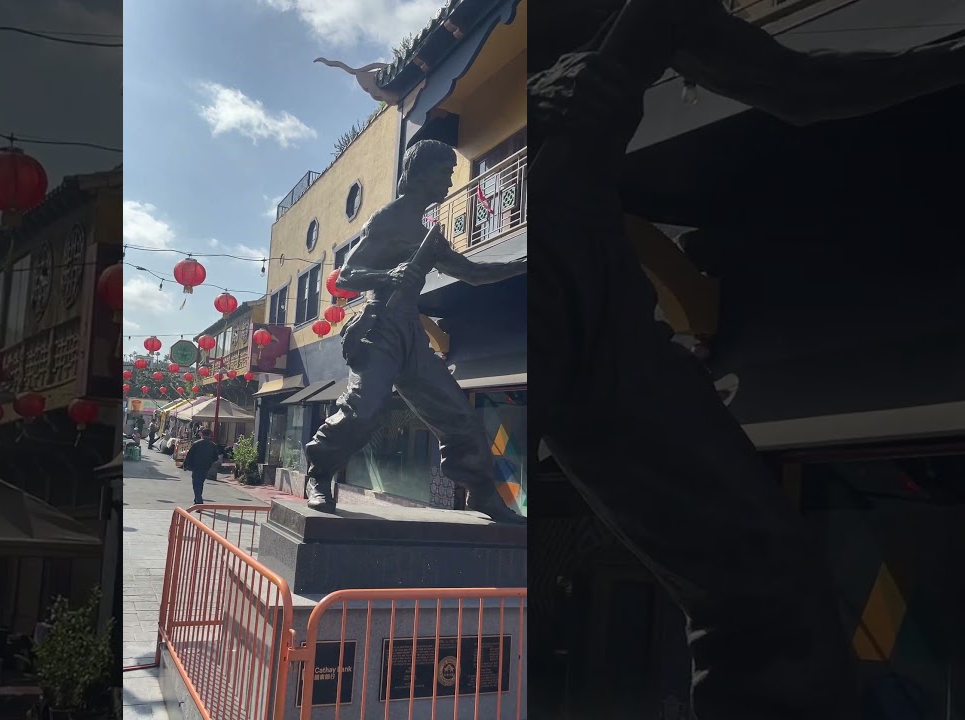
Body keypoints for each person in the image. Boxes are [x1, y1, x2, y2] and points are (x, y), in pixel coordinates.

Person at [529, 1, 965, 717]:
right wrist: (532, 103)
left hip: (602, 279)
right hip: (545, 260)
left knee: (769, 579)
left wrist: (952, 60)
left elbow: (800, 86)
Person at [302, 139, 526, 525]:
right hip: (380, 329)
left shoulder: (430, 237)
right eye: (444, 172)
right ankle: (320, 473)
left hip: (412, 333)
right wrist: (386, 274)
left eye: (452, 173)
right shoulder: (388, 219)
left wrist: (524, 261)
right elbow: (348, 277)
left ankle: (483, 493)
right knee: (364, 411)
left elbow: (474, 273)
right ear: (419, 174)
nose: (449, 180)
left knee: (460, 416)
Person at [182, 428, 220, 506]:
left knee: (196, 484)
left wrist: (185, 465)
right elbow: (216, 457)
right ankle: (197, 500)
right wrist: (209, 462)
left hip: (196, 466)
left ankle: (199, 501)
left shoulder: (196, 444)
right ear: (210, 435)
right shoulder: (213, 445)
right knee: (200, 483)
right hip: (206, 467)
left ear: (201, 434)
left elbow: (190, 455)